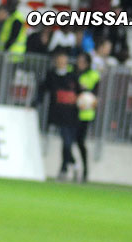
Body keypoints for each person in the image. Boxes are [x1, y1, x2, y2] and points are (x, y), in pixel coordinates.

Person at [35, 49, 80, 181]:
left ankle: (66, 166)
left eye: (63, 60)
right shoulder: (52, 75)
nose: (61, 62)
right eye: (59, 60)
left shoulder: (73, 76)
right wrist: (35, 103)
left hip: (71, 114)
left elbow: (80, 93)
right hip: (58, 114)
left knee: (67, 143)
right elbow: (42, 90)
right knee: (66, 142)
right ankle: (67, 166)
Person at [75, 52, 99, 182]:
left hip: (86, 114)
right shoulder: (74, 74)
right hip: (72, 112)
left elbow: (95, 94)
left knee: (80, 141)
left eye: (82, 62)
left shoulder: (93, 75)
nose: (79, 64)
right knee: (70, 140)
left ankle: (84, 169)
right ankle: (72, 164)